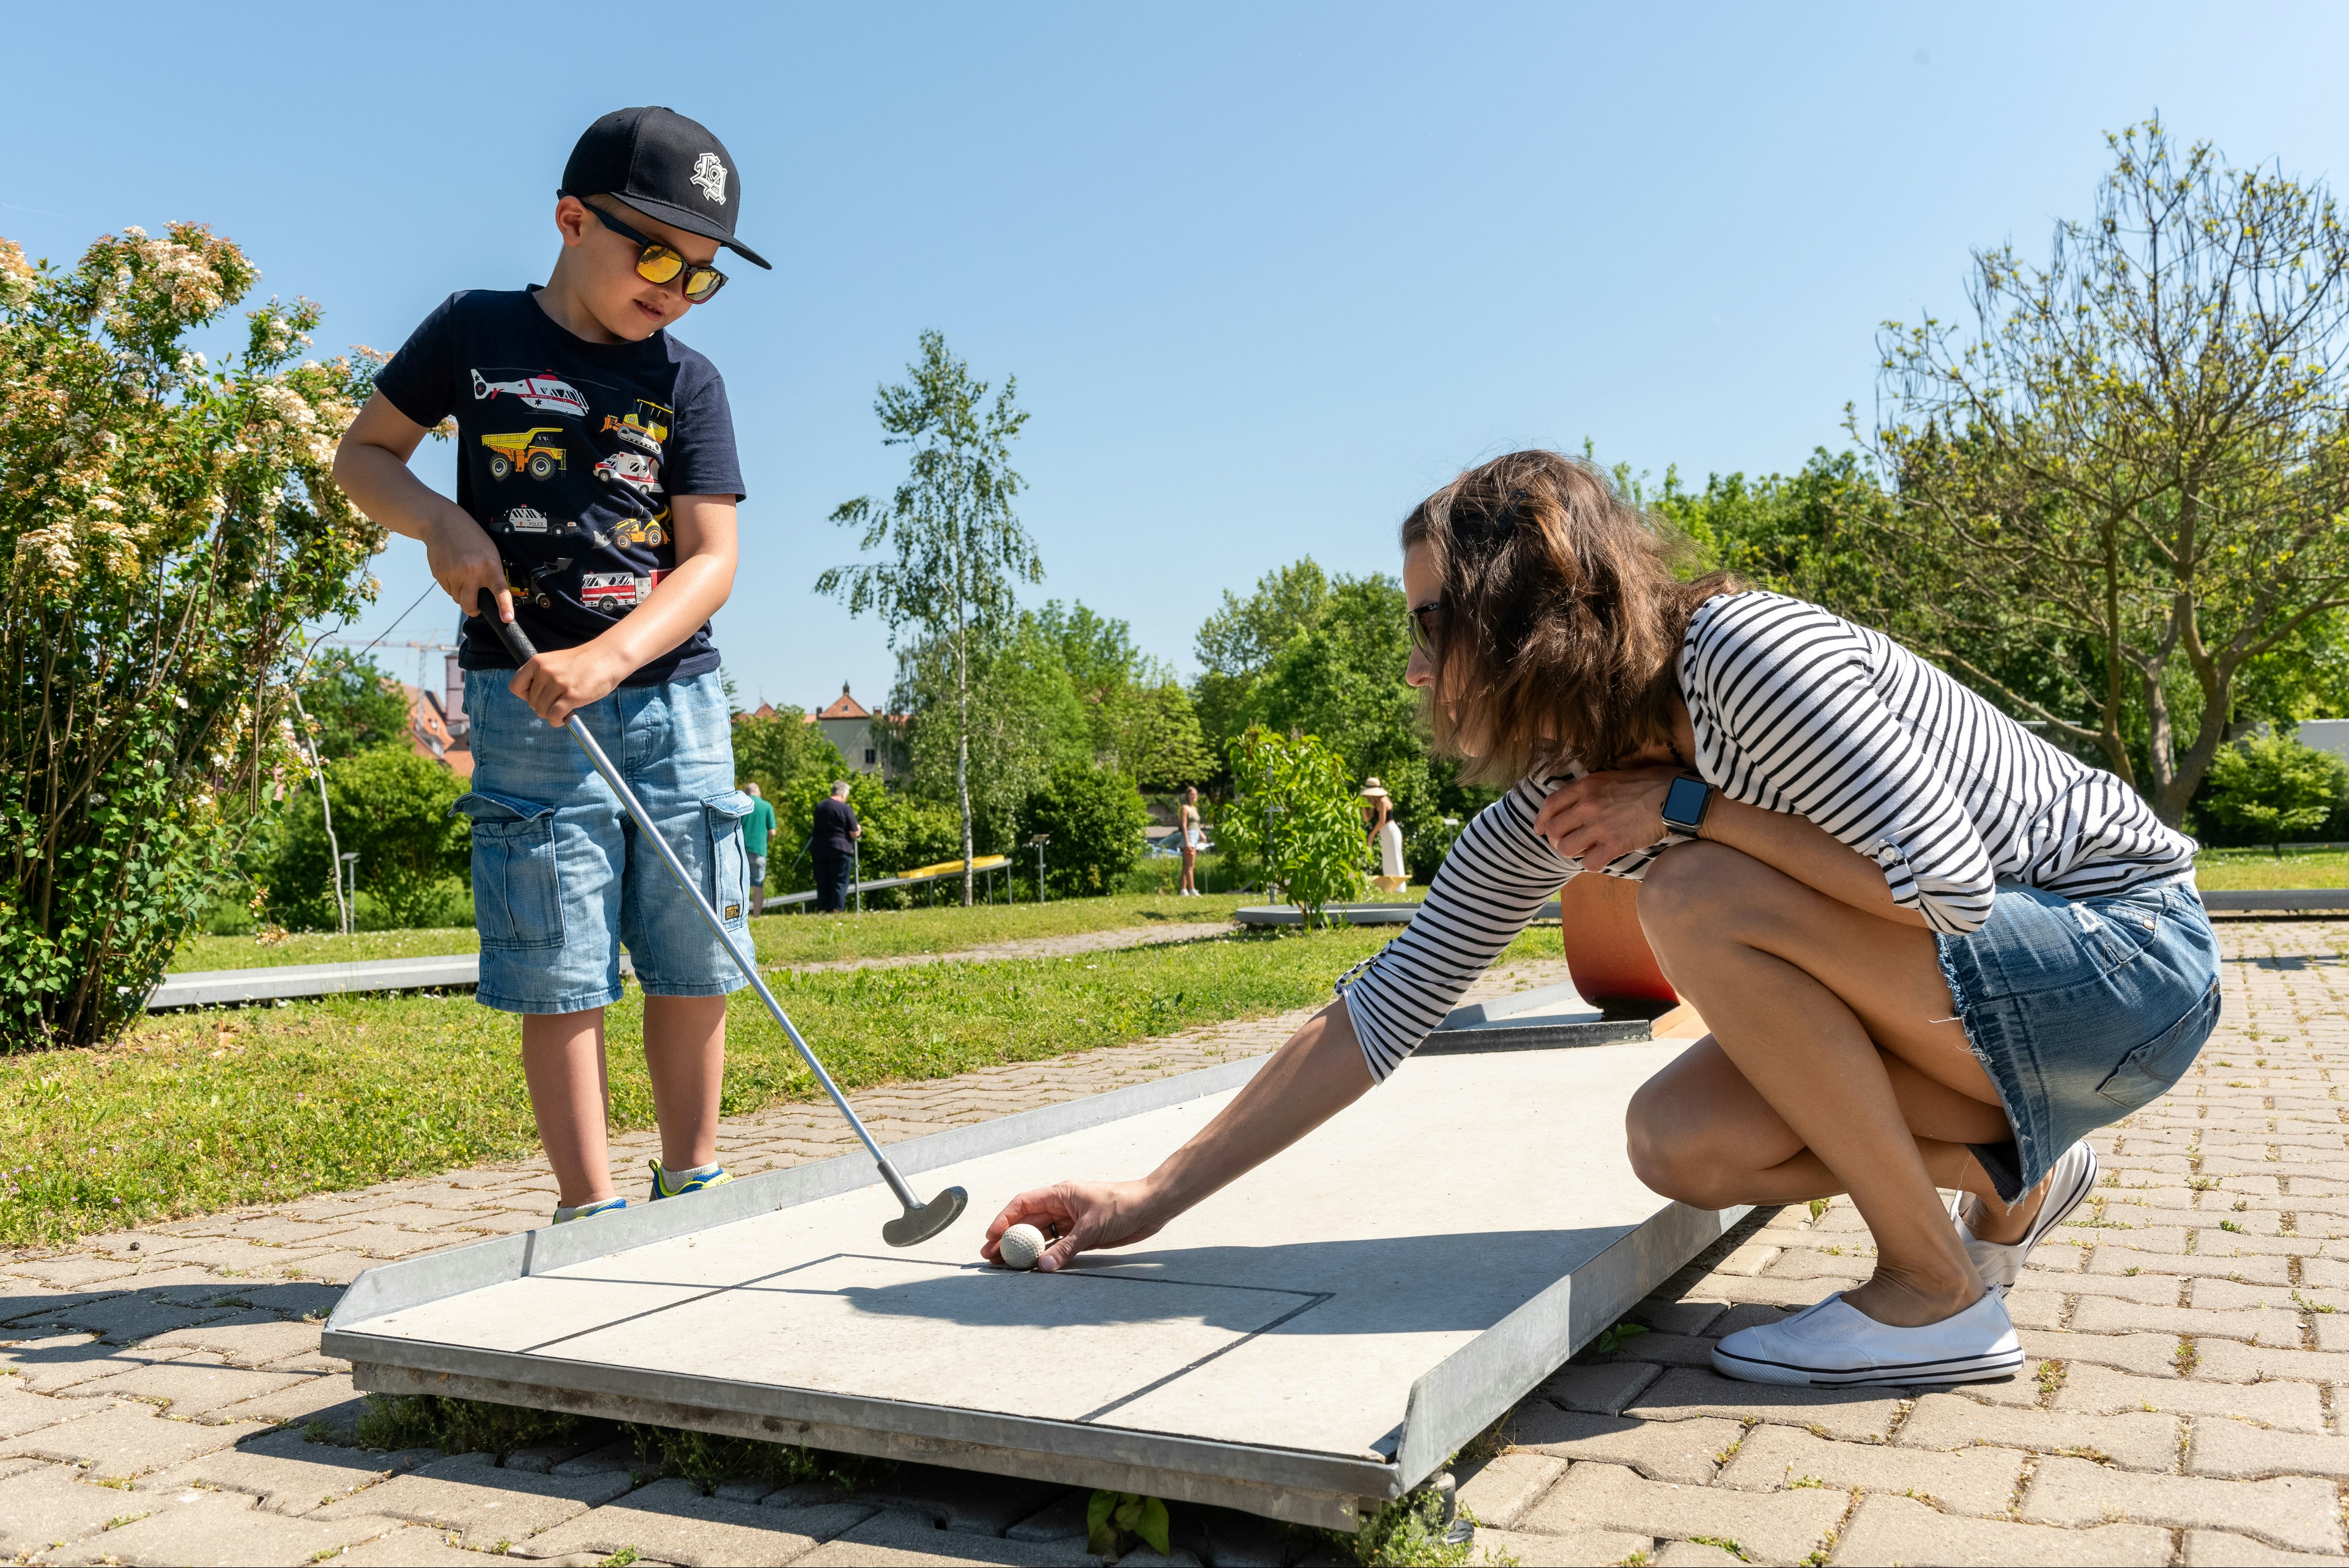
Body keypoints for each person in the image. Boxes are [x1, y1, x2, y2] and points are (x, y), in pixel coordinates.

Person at [983, 449, 2218, 1389]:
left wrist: (1687, 805)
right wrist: (1144, 1198)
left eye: (1427, 621)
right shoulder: (1562, 794)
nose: (1411, 663)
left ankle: (1938, 1289)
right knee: (1678, 1140)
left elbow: (1947, 889)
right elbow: (1388, 1003)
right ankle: (2017, 1177)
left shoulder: (1745, 657)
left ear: (1517, 616)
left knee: (1690, 888)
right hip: (2001, 1010)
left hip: (2130, 959)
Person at [333, 106, 771, 1226]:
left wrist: (611, 656)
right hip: (524, 701)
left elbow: (711, 561)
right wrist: (437, 520)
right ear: (573, 219)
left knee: (697, 948)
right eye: (657, 254)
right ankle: (592, 1212)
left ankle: (695, 1184)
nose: (675, 287)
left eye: (703, 274)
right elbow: (362, 456)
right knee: (559, 956)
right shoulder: (476, 331)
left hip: (673, 699)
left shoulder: (689, 380)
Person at [812, 781, 862, 913]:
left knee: (823, 881)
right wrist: (859, 830)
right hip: (840, 848)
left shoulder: (820, 807)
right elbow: (853, 832)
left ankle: (822, 909)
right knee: (839, 881)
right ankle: (837, 909)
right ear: (842, 793)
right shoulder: (845, 808)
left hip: (820, 848)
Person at [741, 782, 776, 915]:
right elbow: (772, 832)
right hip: (759, 851)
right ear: (759, 793)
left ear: (746, 793)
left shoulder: (742, 804)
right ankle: (756, 916)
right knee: (758, 886)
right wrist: (764, 842)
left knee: (740, 885)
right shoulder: (767, 806)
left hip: (741, 851)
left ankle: (742, 917)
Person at [1176, 786, 1204, 897]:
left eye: (1196, 794)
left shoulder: (1195, 808)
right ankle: (1192, 889)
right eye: (1192, 794)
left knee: (1187, 866)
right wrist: (1187, 842)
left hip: (1195, 836)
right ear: (1187, 796)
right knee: (1190, 866)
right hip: (1189, 837)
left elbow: (1196, 825)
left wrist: (1202, 835)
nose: (1194, 796)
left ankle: (1183, 890)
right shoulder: (1185, 808)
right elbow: (1184, 825)